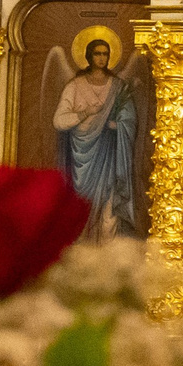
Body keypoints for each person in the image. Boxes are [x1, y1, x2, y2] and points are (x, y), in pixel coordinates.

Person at [52, 34, 140, 239]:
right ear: (88, 56)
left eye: (105, 54)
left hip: (109, 155)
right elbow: (59, 120)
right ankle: (81, 257)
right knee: (81, 208)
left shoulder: (118, 87)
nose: (102, 58)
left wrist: (117, 125)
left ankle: (106, 258)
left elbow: (129, 120)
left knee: (109, 211)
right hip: (81, 160)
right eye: (97, 53)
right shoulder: (75, 86)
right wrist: (84, 114)